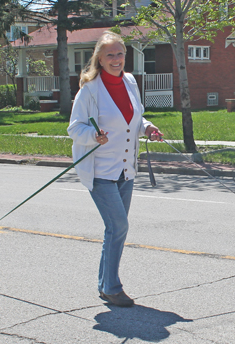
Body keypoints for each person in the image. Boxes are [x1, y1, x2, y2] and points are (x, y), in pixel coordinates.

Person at [67, 31, 163, 307]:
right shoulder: (89, 89)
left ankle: (104, 284)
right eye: (110, 54)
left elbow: (134, 115)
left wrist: (147, 127)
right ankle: (112, 287)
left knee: (114, 230)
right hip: (100, 170)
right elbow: (75, 128)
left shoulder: (130, 81)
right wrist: (93, 136)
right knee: (119, 226)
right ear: (99, 57)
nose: (116, 59)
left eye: (120, 53)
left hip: (125, 169)